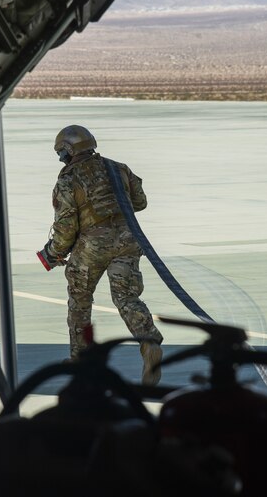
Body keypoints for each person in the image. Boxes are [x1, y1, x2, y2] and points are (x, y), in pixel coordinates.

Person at [37, 125, 164, 385]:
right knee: (127, 297)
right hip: (129, 240)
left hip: (92, 247)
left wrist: (52, 254)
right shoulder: (119, 168)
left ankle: (81, 360)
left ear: (68, 151)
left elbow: (65, 229)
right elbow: (139, 202)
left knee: (80, 302)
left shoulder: (68, 180)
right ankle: (149, 342)